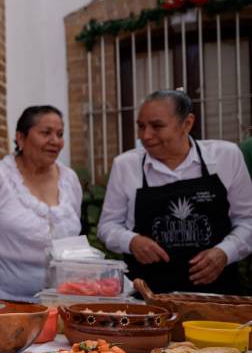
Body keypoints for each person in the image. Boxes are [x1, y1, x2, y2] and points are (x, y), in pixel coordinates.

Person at [98, 89, 252, 294]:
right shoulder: (125, 165)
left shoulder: (226, 157)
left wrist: (225, 252)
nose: (146, 136)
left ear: (187, 124)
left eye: (157, 126)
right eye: (141, 126)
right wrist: (131, 241)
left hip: (218, 295)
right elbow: (107, 226)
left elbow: (248, 220)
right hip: (149, 296)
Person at [0, 106, 82, 300]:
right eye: (46, 133)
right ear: (20, 138)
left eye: (60, 134)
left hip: (58, 302)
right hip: (0, 301)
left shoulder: (70, 180)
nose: (55, 141)